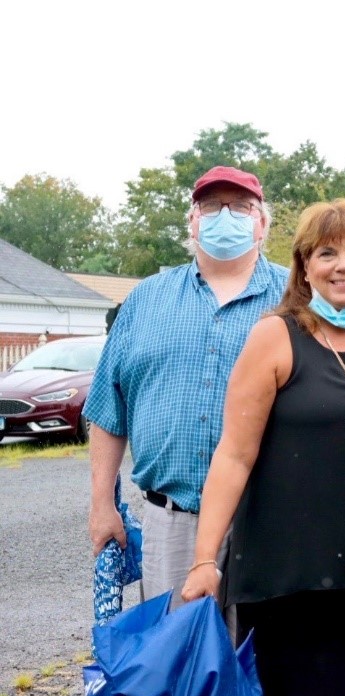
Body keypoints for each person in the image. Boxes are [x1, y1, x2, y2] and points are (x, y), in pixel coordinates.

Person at [181, 199, 345, 696]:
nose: (343, 265)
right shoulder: (276, 337)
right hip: (292, 579)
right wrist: (206, 559)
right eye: (326, 252)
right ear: (304, 266)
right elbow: (233, 456)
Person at [85, 166, 288, 610]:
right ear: (192, 220)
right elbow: (107, 409)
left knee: (267, 669)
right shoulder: (146, 299)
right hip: (171, 524)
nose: (225, 216)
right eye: (212, 206)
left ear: (262, 223)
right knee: (177, 663)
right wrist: (103, 505)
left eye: (240, 207)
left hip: (272, 524)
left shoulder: (297, 297)